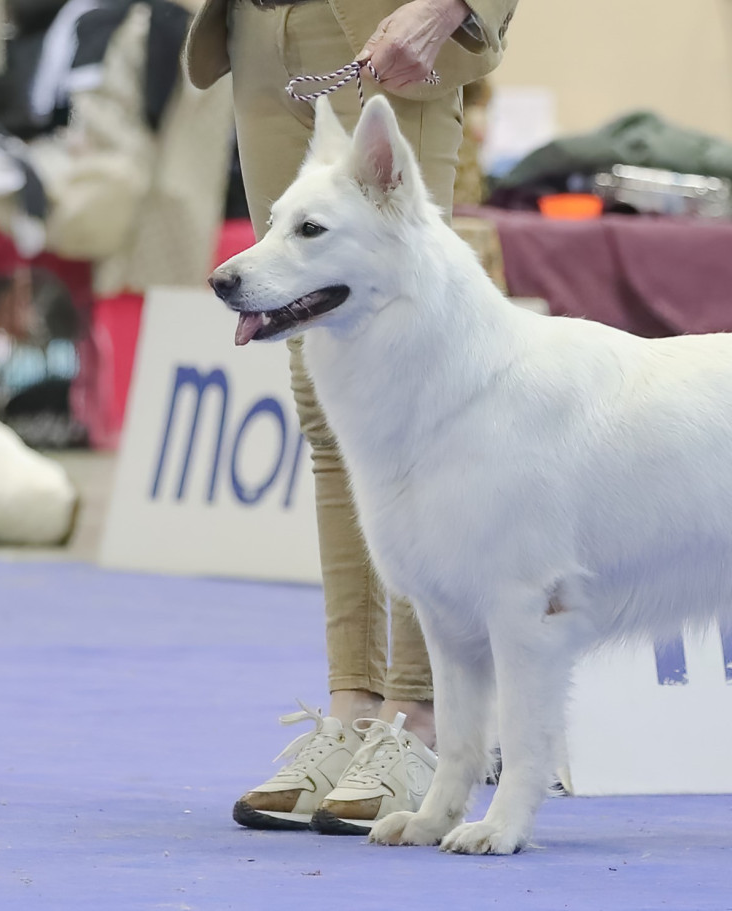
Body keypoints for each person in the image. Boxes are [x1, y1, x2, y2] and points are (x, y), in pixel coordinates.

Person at [181, 0, 517, 834]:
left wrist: (450, 8)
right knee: (320, 393)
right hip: (259, 32)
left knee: (422, 396)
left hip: (385, 23)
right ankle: (355, 712)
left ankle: (425, 716)